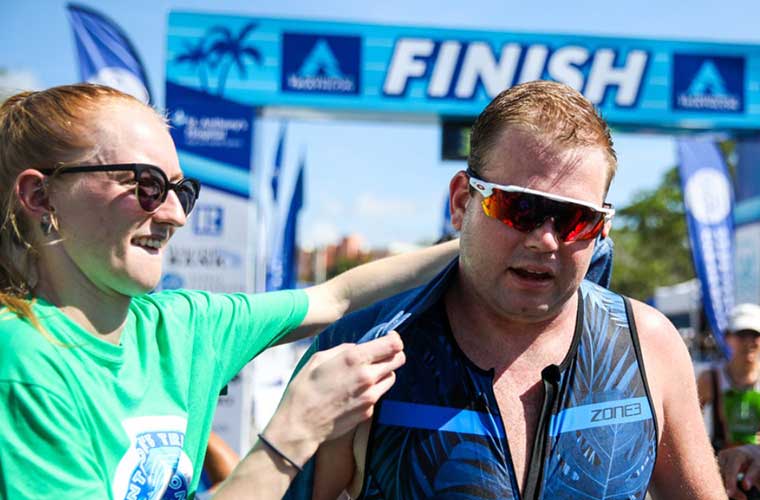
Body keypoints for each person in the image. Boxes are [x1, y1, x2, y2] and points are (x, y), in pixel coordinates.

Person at [0, 83, 459, 499]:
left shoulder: (183, 325)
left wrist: (482, 244)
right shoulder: (22, 361)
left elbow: (335, 296)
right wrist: (293, 433)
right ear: (41, 197)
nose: (175, 215)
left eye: (182, 191)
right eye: (146, 185)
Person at [283, 80, 725, 500]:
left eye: (576, 220)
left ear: (602, 228)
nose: (545, 239)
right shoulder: (362, 349)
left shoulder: (648, 347)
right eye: (520, 207)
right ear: (461, 203)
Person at [698, 303, 760, 451]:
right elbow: (687, 423)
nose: (749, 342)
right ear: (727, 337)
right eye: (742, 335)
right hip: (722, 465)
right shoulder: (711, 378)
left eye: (755, 335)